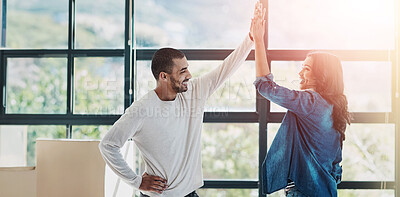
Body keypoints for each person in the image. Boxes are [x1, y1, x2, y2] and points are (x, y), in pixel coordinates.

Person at [98, 20, 255, 196]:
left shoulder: (194, 92)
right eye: (182, 71)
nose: (189, 75)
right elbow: (108, 145)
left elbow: (225, 68)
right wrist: (137, 182)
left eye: (187, 69)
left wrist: (251, 38)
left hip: (190, 193)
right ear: (163, 76)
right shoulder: (141, 109)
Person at [251, 2, 351, 197]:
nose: (299, 72)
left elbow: (265, 86)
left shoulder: (310, 102)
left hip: (305, 191)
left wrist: (258, 40)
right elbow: (335, 165)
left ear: (321, 75)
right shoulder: (335, 106)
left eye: (306, 68)